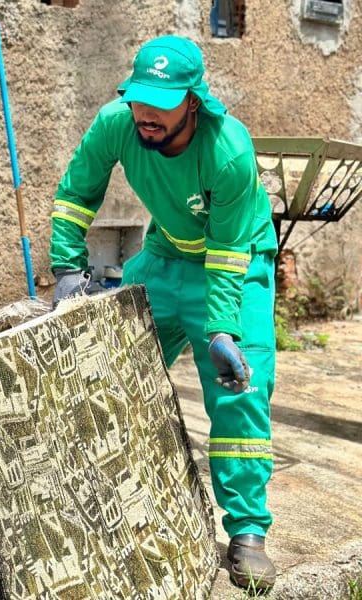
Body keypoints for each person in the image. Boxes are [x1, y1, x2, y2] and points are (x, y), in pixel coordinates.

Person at [50, 35, 278, 593]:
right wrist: (67, 269)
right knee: (107, 362)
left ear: (193, 101)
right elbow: (77, 194)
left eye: (163, 102)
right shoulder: (116, 123)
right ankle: (99, 496)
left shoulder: (228, 150)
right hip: (165, 255)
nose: (146, 114)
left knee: (239, 391)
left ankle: (247, 532)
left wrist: (222, 329)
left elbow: (226, 253)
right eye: (139, 98)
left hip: (235, 266)